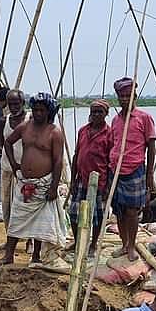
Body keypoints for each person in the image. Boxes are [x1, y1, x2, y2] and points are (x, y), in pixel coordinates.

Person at [1, 92, 69, 271]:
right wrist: (15, 165)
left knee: (41, 223)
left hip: (43, 184)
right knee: (16, 219)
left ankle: (36, 256)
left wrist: (54, 187)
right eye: (36, 109)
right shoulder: (25, 127)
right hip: (24, 183)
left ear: (48, 112)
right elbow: (8, 142)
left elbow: (58, 161)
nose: (38, 113)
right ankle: (9, 255)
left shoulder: (55, 132)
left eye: (41, 110)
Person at [108, 77, 156, 262]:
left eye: (128, 96)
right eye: (121, 96)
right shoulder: (115, 120)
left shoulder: (144, 118)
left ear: (134, 96)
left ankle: (131, 245)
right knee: (119, 210)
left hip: (135, 169)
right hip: (115, 170)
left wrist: (149, 175)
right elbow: (112, 144)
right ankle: (123, 244)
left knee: (132, 211)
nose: (124, 99)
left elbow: (151, 146)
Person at [68, 99, 113, 256]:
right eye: (93, 111)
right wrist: (72, 180)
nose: (96, 115)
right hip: (81, 178)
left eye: (100, 112)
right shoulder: (83, 131)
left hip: (99, 181)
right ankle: (77, 241)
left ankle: (93, 244)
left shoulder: (110, 134)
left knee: (98, 216)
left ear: (106, 114)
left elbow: (111, 161)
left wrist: (108, 186)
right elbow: (76, 155)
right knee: (74, 213)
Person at [0, 89, 28, 228]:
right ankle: (9, 236)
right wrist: (13, 164)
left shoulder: (30, 120)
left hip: (26, 170)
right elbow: (3, 144)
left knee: (25, 204)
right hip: (7, 168)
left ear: (23, 103)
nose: (14, 107)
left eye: (16, 104)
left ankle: (29, 240)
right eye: (10, 104)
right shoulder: (3, 121)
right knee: (7, 205)